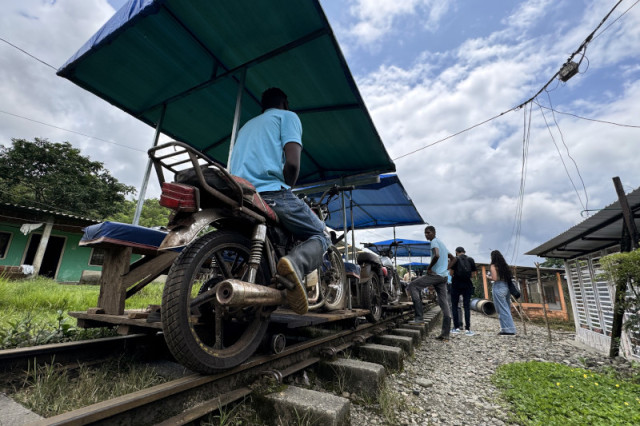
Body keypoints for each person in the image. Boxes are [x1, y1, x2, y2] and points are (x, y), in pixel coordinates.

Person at [229, 87, 329, 315]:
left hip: (241, 194)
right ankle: (295, 264)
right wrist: (288, 188)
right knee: (322, 235)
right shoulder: (288, 117)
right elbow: (292, 164)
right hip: (272, 194)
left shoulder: (246, 126)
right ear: (285, 102)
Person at [408, 225, 455, 341]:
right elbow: (454, 258)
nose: (426, 235)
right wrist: (446, 268)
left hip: (436, 275)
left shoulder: (434, 241)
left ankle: (419, 318)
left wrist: (429, 268)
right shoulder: (442, 243)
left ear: (434, 233)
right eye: (425, 233)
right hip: (443, 277)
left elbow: (437, 255)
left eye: (428, 233)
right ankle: (445, 335)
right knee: (443, 303)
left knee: (413, 285)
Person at [448, 247, 477, 336]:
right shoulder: (471, 259)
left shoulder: (454, 259)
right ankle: (467, 329)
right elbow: (473, 274)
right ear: (464, 252)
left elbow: (451, 273)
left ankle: (456, 327)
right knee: (466, 306)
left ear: (456, 252)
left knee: (454, 305)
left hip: (456, 284)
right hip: (467, 284)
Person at [489, 250, 517, 335]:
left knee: (501, 308)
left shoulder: (493, 266)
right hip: (506, 287)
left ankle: (508, 330)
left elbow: (494, 278)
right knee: (506, 308)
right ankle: (507, 328)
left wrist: (487, 276)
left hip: (498, 286)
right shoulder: (505, 266)